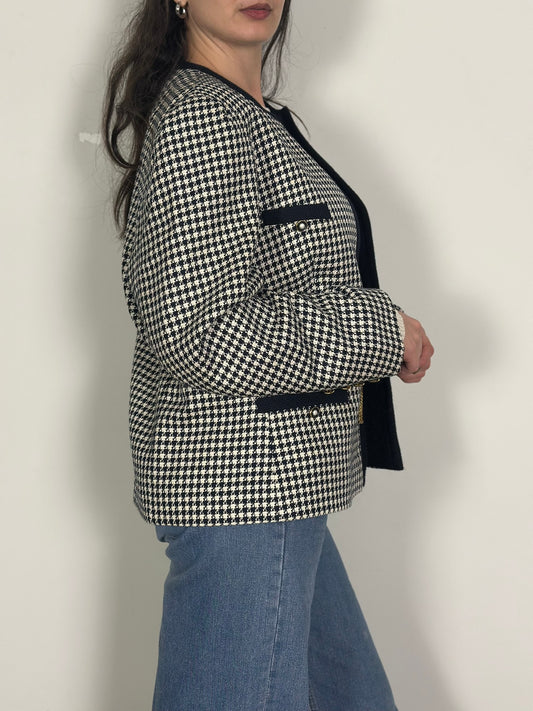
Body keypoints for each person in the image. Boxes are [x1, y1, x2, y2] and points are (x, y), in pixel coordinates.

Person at [103, 1, 434, 709]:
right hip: (246, 492)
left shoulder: (250, 116)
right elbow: (199, 331)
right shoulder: (201, 119)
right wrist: (383, 331)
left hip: (275, 494)